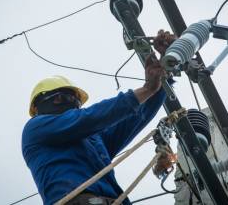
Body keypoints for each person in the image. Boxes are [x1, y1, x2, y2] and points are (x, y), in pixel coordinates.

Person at [22, 30, 176, 205]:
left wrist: (165, 68)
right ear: (47, 101)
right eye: (66, 97)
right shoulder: (36, 128)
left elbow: (136, 116)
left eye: (77, 102)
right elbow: (89, 118)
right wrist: (147, 89)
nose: (75, 105)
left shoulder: (93, 140)